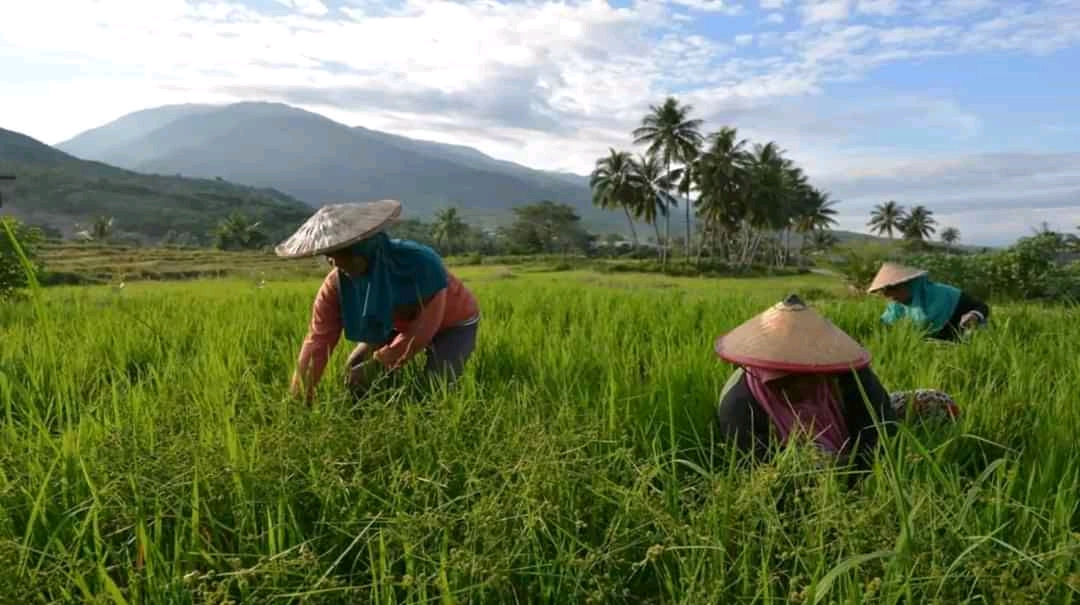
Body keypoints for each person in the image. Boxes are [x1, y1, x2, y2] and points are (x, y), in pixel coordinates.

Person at [713, 294, 959, 470]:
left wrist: (867, 464)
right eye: (785, 383)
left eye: (807, 377)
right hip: (793, 447)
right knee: (818, 465)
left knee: (936, 402)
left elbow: (877, 423)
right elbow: (755, 462)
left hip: (846, 431)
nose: (800, 388)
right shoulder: (740, 403)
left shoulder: (846, 372)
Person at [275, 200, 481, 404]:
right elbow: (319, 339)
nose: (335, 263)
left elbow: (424, 328)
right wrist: (300, 392)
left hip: (453, 323)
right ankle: (375, 408)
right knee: (355, 368)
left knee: (434, 387)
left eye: (344, 254)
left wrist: (381, 362)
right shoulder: (336, 285)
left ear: (366, 247)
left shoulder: (420, 263)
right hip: (394, 323)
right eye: (329, 256)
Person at [868, 262, 990, 341]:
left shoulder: (947, 295)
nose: (887, 295)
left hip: (961, 347)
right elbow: (883, 328)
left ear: (911, 284)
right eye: (884, 290)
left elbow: (981, 306)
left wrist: (974, 315)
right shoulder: (897, 307)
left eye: (892, 288)